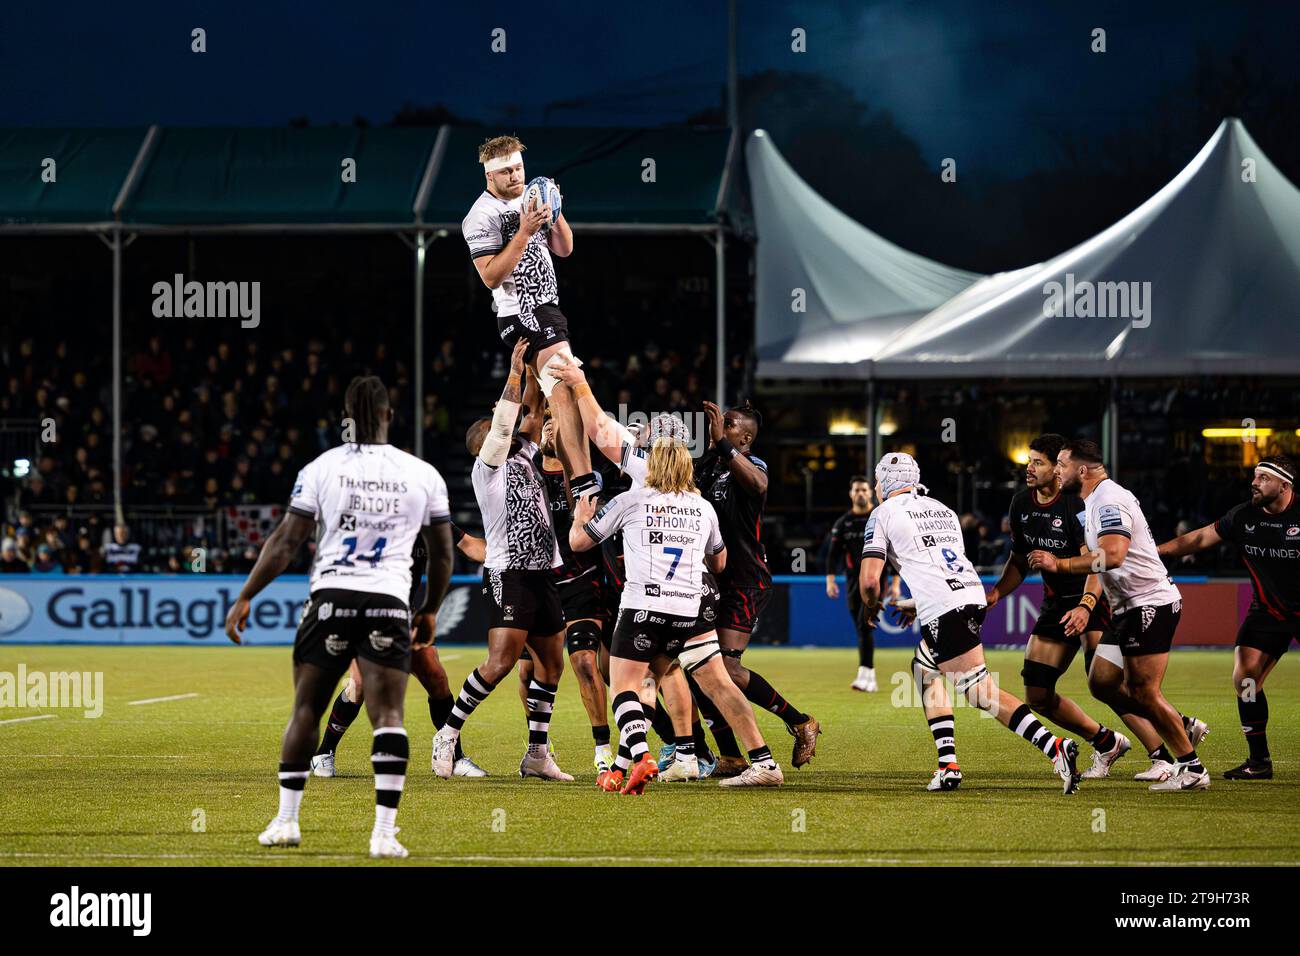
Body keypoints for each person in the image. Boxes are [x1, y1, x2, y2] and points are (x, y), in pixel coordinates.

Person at [224, 375, 454, 858]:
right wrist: (429, 609)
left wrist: (246, 595)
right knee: (388, 716)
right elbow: (442, 554)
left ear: (346, 420)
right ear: (390, 416)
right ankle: (384, 834)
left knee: (307, 710)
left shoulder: (321, 467)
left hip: (330, 599)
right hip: (389, 602)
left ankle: (287, 822)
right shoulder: (423, 473)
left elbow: (286, 542)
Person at [569, 436, 784, 792]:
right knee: (673, 680)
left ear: (651, 467)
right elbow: (719, 562)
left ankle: (642, 757)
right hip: (690, 609)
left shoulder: (632, 499)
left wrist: (580, 519)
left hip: (644, 606)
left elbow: (580, 544)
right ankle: (760, 761)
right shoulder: (703, 507)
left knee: (625, 687)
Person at [861, 452, 1082, 794]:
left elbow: (870, 581)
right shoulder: (944, 510)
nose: (875, 486)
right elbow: (943, 568)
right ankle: (948, 765)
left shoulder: (882, 513)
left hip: (945, 608)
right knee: (925, 668)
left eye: (877, 479)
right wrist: (918, 603)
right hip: (971, 597)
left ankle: (1054, 748)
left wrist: (869, 606)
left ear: (887, 481)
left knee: (980, 691)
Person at [1030, 439, 1208, 791]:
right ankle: (1180, 723)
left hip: (1149, 604)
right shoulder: (1092, 501)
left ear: (1081, 470)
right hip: (1129, 607)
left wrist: (1059, 564)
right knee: (1102, 681)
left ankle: (1192, 768)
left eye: (1062, 464)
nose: (1058, 471)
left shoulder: (1108, 500)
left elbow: (1112, 556)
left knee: (1144, 692)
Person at [431, 341, 573, 781]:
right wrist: (513, 372)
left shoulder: (528, 452)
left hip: (542, 571)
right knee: (501, 662)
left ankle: (536, 754)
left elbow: (529, 407)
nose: (513, 428)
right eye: (500, 427)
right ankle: (448, 734)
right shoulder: (487, 466)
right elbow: (511, 416)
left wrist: (534, 364)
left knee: (552, 665)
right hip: (508, 571)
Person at [987, 434, 1133, 778]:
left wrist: (1085, 605)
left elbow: (1097, 563)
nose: (1029, 468)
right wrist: (996, 593)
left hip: (1095, 599)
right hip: (1056, 605)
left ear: (1058, 468)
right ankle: (1106, 741)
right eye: (1029, 460)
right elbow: (1020, 561)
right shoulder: (1021, 504)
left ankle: (1171, 743)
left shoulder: (1077, 504)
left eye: (1038, 462)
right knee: (1037, 693)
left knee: (1106, 683)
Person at [462, 135, 598, 502]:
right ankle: (584, 483)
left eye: (519, 168)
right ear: (490, 175)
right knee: (569, 386)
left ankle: (577, 489)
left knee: (564, 393)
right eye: (506, 171)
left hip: (548, 307)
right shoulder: (480, 215)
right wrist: (523, 231)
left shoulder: (531, 194)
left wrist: (555, 213)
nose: (515, 176)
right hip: (523, 311)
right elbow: (490, 275)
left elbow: (565, 249)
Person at [695, 400, 820, 773]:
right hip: (711, 579)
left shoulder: (754, 466)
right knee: (696, 668)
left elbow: (759, 484)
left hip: (746, 580)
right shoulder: (710, 466)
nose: (720, 425)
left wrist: (722, 444)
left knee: (725, 669)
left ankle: (800, 722)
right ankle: (731, 756)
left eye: (728, 423)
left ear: (744, 437)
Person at [1157, 453, 1298, 780]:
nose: (1255, 482)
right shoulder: (1244, 517)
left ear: (1285, 485)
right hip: (1268, 612)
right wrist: (1155, 551)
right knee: (1245, 679)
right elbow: (1200, 538)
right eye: (1255, 476)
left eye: (1264, 478)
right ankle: (1259, 761)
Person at [309, 524, 487, 779]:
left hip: (402, 614)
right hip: (364, 610)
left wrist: (504, 554)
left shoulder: (429, 519)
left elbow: (470, 545)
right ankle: (323, 753)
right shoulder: (375, 520)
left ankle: (455, 758)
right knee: (360, 686)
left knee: (435, 677)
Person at [826, 475, 882, 691]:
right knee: (862, 628)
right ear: (851, 494)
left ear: (870, 493)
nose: (860, 493)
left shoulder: (878, 519)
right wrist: (830, 580)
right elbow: (833, 554)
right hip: (852, 582)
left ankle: (865, 675)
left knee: (864, 625)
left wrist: (895, 584)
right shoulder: (844, 523)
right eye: (856, 490)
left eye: (864, 490)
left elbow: (892, 551)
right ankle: (870, 677)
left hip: (876, 581)